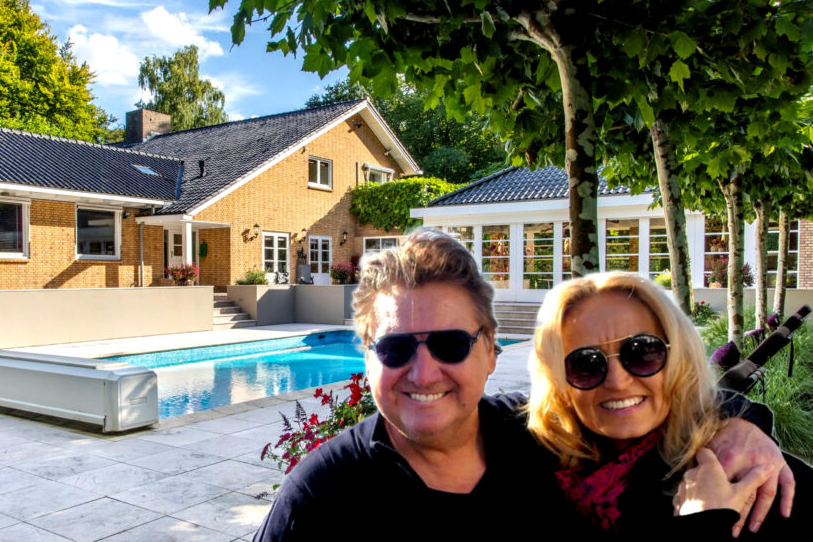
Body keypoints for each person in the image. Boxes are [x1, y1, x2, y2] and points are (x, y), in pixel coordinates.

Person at [254, 230, 792, 541]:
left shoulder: (534, 435)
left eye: (451, 345)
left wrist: (740, 425)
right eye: (395, 348)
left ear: (490, 350)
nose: (423, 372)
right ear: (367, 357)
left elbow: (653, 402)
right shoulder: (321, 497)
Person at [526, 271, 811, 539]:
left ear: (679, 359)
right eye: (584, 363)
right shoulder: (529, 457)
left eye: (642, 351)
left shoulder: (754, 477)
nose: (617, 382)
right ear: (557, 380)